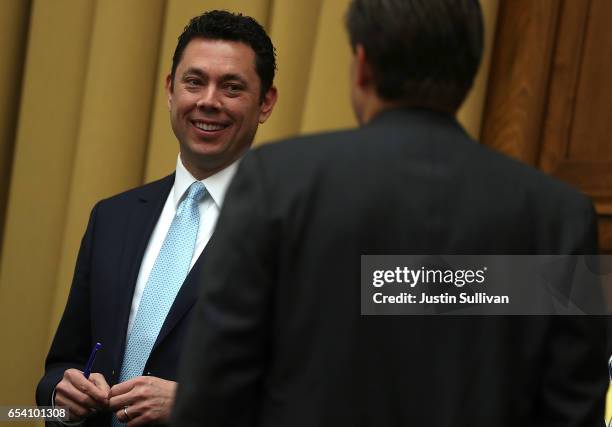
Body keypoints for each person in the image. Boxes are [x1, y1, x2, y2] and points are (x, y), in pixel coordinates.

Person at [171, 1, 607, 426]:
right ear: (470, 73)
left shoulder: (278, 183)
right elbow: (575, 407)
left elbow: (215, 392)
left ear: (362, 65)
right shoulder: (563, 217)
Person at [36, 10, 277, 426]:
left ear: (265, 103)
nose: (208, 100)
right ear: (170, 90)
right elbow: (63, 363)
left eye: (232, 87)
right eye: (194, 81)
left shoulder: (293, 230)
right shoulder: (112, 218)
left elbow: (318, 392)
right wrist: (60, 392)